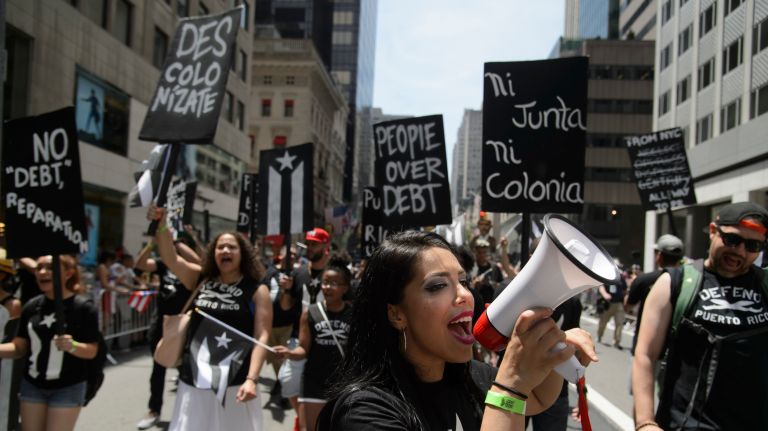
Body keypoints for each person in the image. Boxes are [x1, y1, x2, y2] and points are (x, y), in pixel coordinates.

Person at [316, 231, 598, 430]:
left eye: (463, 281)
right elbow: (516, 395)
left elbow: (536, 398)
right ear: (396, 314)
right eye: (437, 286)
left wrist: (551, 355)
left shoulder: (473, 378)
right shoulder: (364, 412)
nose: (464, 294)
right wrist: (511, 387)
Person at [632, 202, 768, 430]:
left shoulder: (765, 285)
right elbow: (645, 354)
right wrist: (645, 422)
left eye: (753, 245)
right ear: (713, 231)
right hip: (686, 424)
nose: (740, 251)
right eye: (732, 240)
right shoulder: (673, 283)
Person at [148, 205, 272, 431]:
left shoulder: (256, 289)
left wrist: (252, 379)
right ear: (213, 253)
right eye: (220, 246)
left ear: (242, 253)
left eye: (232, 247)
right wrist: (162, 224)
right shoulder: (200, 278)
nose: (225, 250)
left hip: (235, 383)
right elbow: (170, 258)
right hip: (194, 379)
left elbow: (262, 335)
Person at [0, 255, 100, 431]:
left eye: (50, 267)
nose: (42, 272)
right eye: (39, 268)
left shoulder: (83, 307)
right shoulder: (31, 306)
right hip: (32, 385)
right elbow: (19, 347)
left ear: (68, 273)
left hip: (68, 386)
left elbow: (92, 351)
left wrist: (73, 346)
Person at [274, 253, 354, 431]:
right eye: (325, 282)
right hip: (313, 383)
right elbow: (303, 349)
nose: (327, 287)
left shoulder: (354, 314)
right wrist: (288, 353)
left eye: (334, 283)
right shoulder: (310, 312)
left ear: (345, 287)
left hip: (343, 385)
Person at [133, 240, 195, 430]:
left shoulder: (192, 267)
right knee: (158, 367)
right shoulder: (162, 264)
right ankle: (154, 410)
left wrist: (179, 242)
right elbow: (141, 265)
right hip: (161, 323)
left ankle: (190, 413)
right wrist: (152, 245)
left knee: (186, 370)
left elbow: (203, 262)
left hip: (183, 325)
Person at [625, 234, 683, 355]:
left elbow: (628, 306)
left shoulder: (644, 279)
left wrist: (631, 288)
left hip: (645, 347)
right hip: (674, 351)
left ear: (659, 256)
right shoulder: (688, 282)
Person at [596, 275, 627, 350]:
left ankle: (617, 342)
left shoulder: (621, 278)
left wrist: (625, 301)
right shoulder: (607, 275)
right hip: (608, 303)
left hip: (619, 304)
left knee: (619, 323)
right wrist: (605, 294)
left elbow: (625, 290)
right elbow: (601, 286)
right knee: (603, 322)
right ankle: (599, 336)